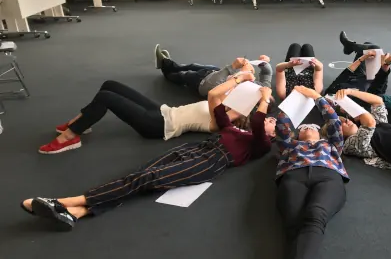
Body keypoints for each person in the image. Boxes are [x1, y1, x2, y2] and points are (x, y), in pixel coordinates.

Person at [20, 82, 276, 231]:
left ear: (273, 135)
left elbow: (257, 121)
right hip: (196, 149)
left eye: (274, 122)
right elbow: (215, 99)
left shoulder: (260, 144)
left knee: (146, 178)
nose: (270, 120)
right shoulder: (234, 129)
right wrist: (240, 80)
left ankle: (62, 202)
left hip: (211, 162)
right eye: (271, 118)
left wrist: (264, 100)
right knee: (140, 176)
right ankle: (77, 213)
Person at [38, 70, 273, 154]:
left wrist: (240, 79)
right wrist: (241, 75)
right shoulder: (229, 105)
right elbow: (222, 90)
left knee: (106, 98)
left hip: (157, 126)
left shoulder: (223, 120)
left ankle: (71, 136)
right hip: (162, 111)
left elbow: (213, 94)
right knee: (110, 85)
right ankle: (83, 121)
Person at [270, 85, 348, 259]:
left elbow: (333, 121)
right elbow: (282, 123)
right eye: (303, 127)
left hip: (328, 175)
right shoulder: (289, 145)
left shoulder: (332, 145)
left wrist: (316, 97)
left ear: (320, 133)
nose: (307, 128)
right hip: (293, 176)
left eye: (312, 127)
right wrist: (296, 98)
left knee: (315, 214)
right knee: (293, 223)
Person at [154, 44, 273, 98]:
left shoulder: (239, 95)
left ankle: (165, 67)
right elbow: (267, 73)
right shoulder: (263, 88)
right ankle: (170, 64)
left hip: (203, 83)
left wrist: (236, 70)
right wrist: (263, 63)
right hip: (215, 72)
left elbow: (212, 86)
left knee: (182, 75)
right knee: (192, 65)